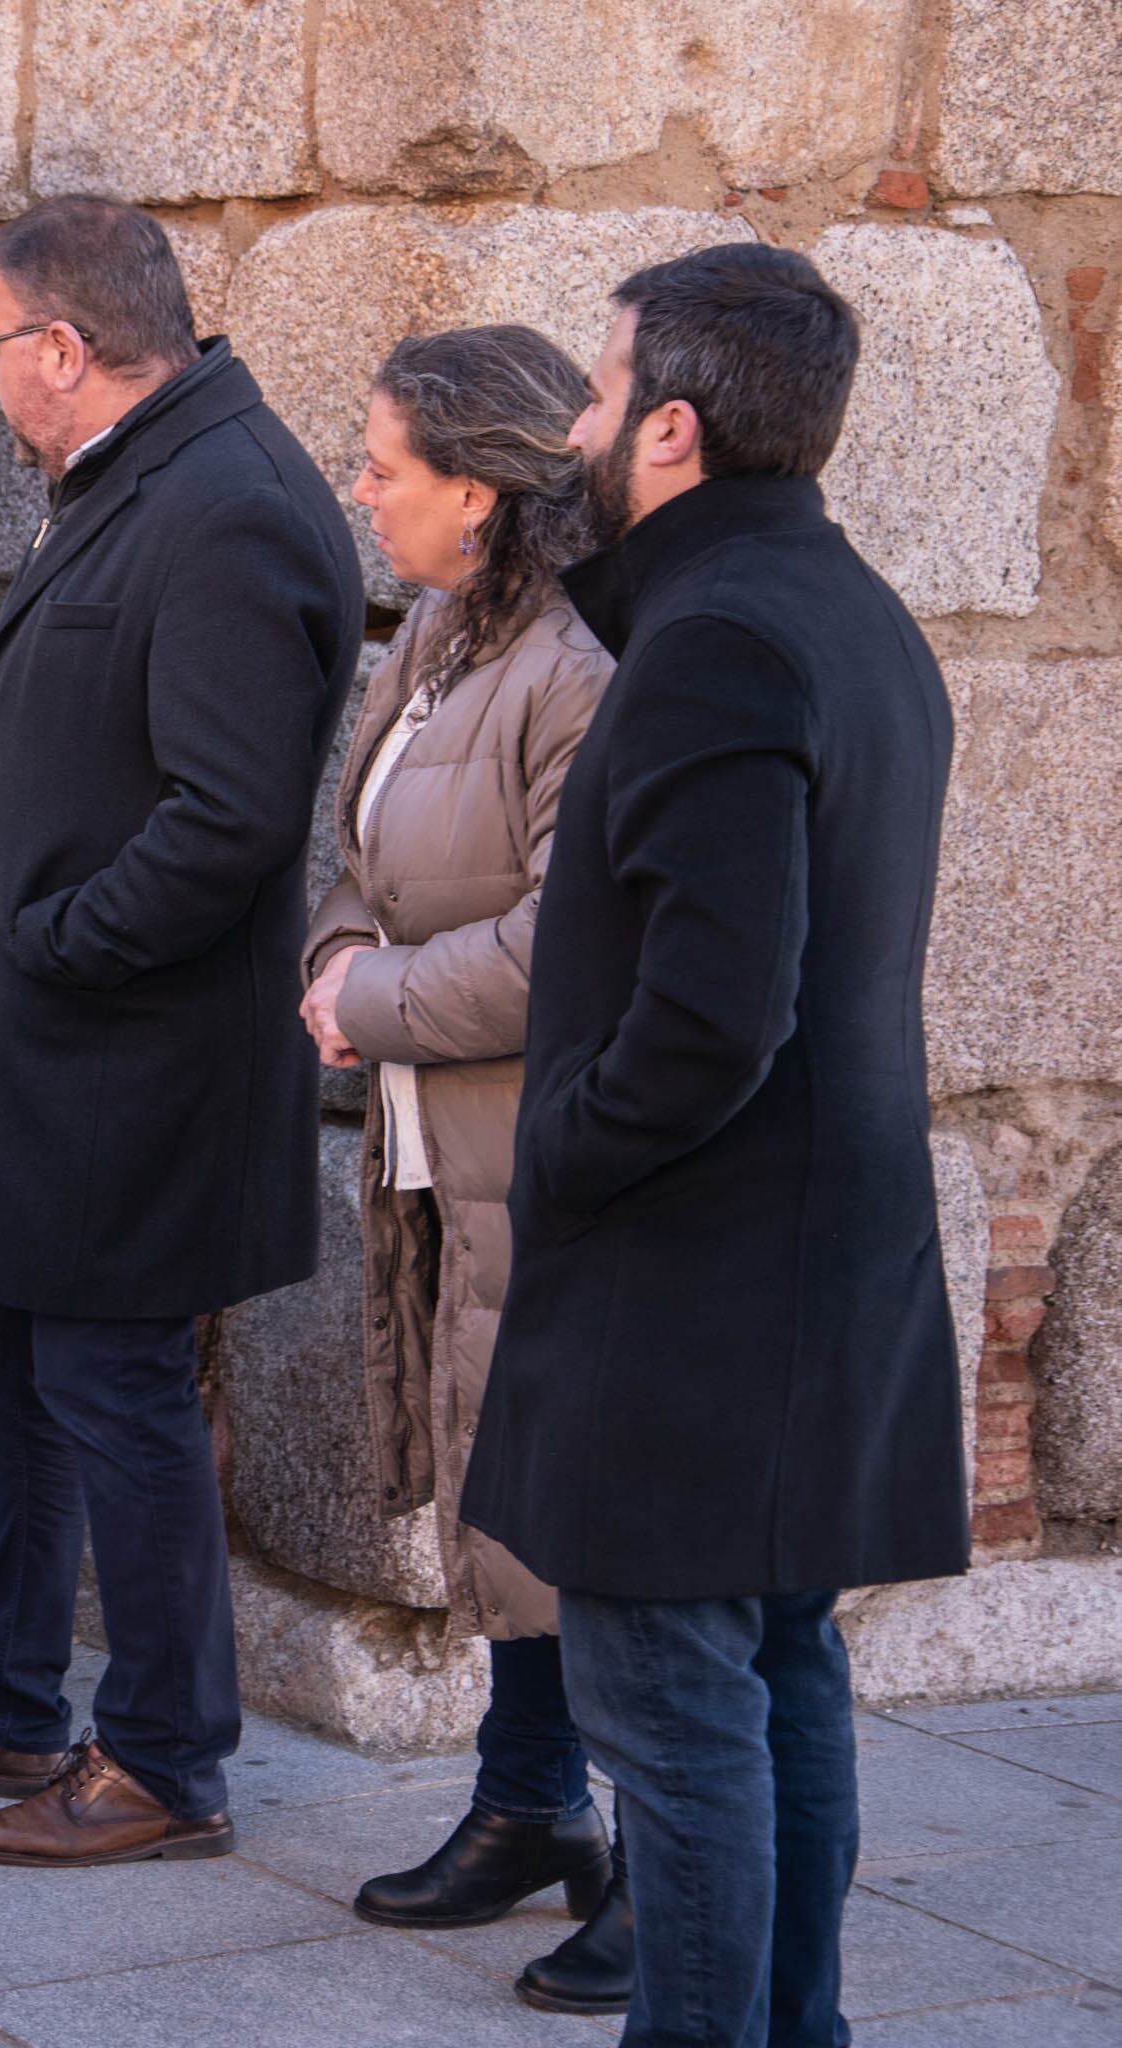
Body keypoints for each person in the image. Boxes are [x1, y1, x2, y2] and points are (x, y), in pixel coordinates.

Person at [0, 195, 363, 1865]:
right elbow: (13, 755)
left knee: (112, 1387)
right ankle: (1, 1693)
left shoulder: (232, 508)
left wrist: (38, 949)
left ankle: (168, 1760)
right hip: (24, 1050)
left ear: (62, 347)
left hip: (122, 1066)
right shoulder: (123, 479)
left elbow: (225, 822)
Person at [462, 243, 965, 2048]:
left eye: (595, 396)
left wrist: (564, 1150)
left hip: (693, 1294)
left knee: (677, 1726)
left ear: (668, 428)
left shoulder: (716, 641)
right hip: (803, 1273)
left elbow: (705, 1013)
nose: (575, 431)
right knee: (773, 1675)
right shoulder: (843, 610)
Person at [299, 326, 626, 2012]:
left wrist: (373, 998)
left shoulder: (574, 667)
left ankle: (653, 1852)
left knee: (570, 1500)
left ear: (483, 498)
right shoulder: (432, 630)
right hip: (439, 1138)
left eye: (383, 466)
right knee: (492, 1482)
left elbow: (572, 935)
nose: (359, 488)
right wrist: (341, 956)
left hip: (531, 1140)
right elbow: (355, 842)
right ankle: (524, 1799)